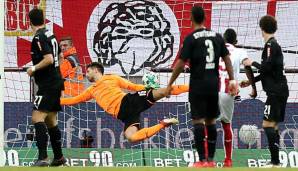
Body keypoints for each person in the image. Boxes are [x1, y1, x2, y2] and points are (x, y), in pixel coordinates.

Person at [164, 6, 237, 168]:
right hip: (213, 85)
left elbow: (180, 64)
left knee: (198, 121)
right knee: (211, 121)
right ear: (204, 18)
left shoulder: (191, 38)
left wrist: (170, 84)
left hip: (197, 85)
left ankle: (202, 160)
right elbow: (227, 59)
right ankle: (211, 160)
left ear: (191, 19)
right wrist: (232, 80)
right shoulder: (217, 37)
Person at [60, 62, 189, 142]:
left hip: (129, 102)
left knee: (164, 91)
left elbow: (132, 86)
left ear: (96, 70)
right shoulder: (91, 90)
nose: (86, 74)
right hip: (125, 116)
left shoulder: (112, 78)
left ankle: (192, 87)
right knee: (131, 137)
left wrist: (148, 89)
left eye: (88, 71)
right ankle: (163, 124)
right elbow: (74, 100)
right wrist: (56, 101)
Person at [243, 15, 289, 168]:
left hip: (275, 92)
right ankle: (276, 162)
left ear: (261, 29)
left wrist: (252, 63)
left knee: (267, 124)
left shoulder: (270, 45)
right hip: (280, 90)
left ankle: (275, 162)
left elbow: (266, 68)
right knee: (273, 125)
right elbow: (267, 72)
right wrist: (251, 81)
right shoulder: (273, 45)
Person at [27, 8, 66, 166]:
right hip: (55, 82)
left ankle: (43, 157)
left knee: (37, 118)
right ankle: (59, 158)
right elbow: (60, 57)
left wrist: (34, 69)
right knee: (51, 120)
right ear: (43, 20)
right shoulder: (50, 33)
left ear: (29, 22)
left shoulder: (39, 37)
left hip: (48, 84)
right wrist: (55, 74)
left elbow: (49, 59)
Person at [218, 28, 256, 167]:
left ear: (223, 40)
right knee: (226, 125)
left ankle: (205, 160)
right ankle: (228, 160)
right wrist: (252, 84)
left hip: (211, 89)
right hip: (229, 91)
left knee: (206, 124)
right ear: (236, 42)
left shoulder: (216, 49)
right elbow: (247, 64)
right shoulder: (240, 51)